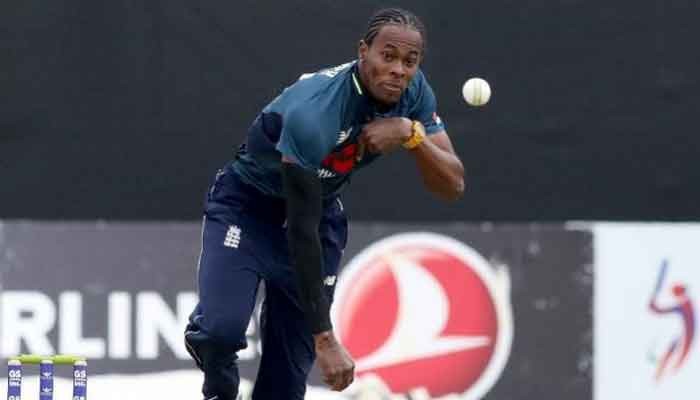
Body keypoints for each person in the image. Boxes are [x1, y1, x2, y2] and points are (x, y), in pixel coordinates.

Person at [184, 7, 465, 400]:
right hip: (249, 209)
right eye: (387, 56)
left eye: (409, 61)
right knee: (220, 332)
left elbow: (453, 184)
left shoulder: (414, 93)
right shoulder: (314, 113)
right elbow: (300, 230)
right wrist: (325, 338)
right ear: (363, 51)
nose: (398, 70)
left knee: (285, 382)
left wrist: (411, 133)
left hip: (321, 210)